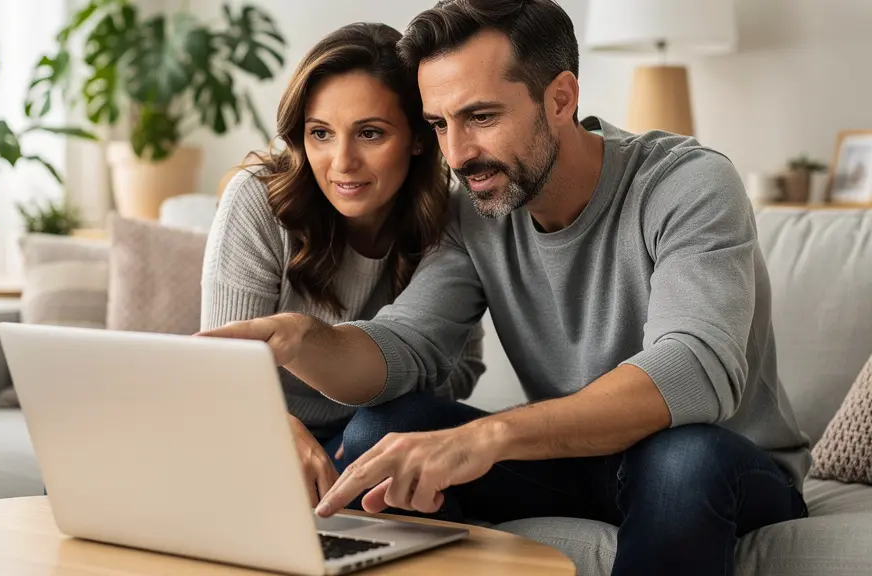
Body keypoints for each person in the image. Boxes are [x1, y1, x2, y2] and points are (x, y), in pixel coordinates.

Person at [199, 1, 812, 574]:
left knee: (680, 462)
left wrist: (488, 436)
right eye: (439, 124)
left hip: (721, 464)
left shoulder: (689, 184)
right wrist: (306, 339)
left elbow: (695, 366)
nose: (459, 154)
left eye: (481, 117)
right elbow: (406, 345)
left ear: (561, 98)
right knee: (379, 435)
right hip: (578, 463)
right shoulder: (477, 210)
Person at [200, 22, 485, 509]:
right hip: (253, 424)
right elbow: (221, 370)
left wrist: (366, 385)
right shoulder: (259, 201)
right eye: (321, 134)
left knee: (385, 429)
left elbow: (462, 369)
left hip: (364, 434)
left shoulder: (450, 220)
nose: (342, 161)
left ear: (419, 138)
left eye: (370, 133)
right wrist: (272, 425)